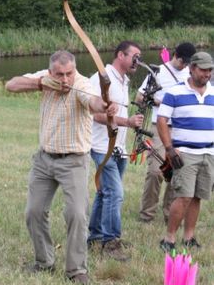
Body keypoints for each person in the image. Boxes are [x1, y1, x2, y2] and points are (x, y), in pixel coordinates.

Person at [5, 50, 117, 285]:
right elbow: (10, 85)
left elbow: (93, 101)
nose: (65, 79)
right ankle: (44, 261)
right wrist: (41, 83)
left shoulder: (83, 84)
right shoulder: (44, 79)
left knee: (76, 213)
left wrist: (105, 105)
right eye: (59, 74)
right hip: (44, 159)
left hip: (74, 161)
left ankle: (76, 270)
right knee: (33, 212)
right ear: (50, 71)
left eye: (69, 73)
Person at [87, 41, 144, 262]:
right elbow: (95, 114)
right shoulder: (102, 79)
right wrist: (127, 122)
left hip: (118, 147)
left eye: (140, 57)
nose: (138, 61)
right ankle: (111, 243)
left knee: (105, 193)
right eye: (135, 56)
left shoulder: (124, 80)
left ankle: (94, 237)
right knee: (115, 194)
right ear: (121, 55)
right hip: (102, 147)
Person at [158, 52, 214, 252]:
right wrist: (169, 148)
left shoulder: (213, 92)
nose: (207, 74)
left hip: (209, 153)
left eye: (210, 70)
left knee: (197, 196)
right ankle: (169, 238)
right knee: (183, 196)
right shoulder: (175, 92)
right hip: (185, 153)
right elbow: (162, 120)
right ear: (191, 68)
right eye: (203, 69)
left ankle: (189, 237)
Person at [137, 43, 197, 224]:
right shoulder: (158, 72)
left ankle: (170, 215)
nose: (184, 66)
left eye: (188, 63)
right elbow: (140, 98)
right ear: (175, 55)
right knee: (156, 171)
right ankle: (146, 215)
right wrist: (160, 103)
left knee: (176, 173)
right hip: (159, 125)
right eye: (182, 61)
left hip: (182, 128)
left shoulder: (190, 75)